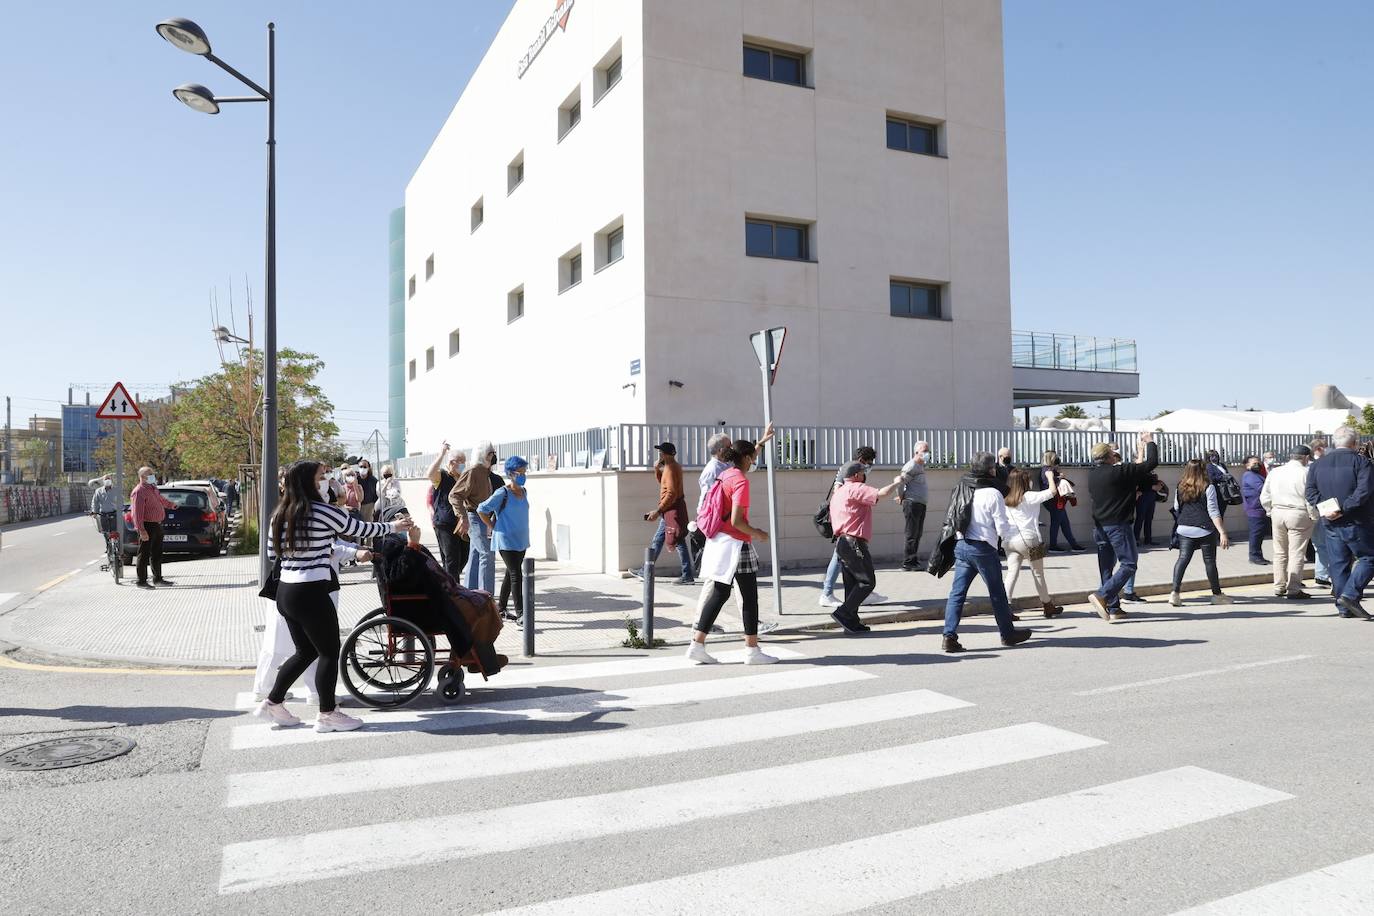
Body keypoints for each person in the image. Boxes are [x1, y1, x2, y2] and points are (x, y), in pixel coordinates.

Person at [255, 459, 411, 732]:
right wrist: (395, 527)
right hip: (311, 591)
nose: (325, 481)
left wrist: (310, 552)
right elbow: (360, 530)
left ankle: (272, 703)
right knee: (328, 652)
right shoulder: (322, 511)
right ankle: (328, 713)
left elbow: (272, 555)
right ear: (308, 482)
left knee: (305, 652)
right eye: (320, 478)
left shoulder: (279, 514)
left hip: (286, 592)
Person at [687, 439, 778, 665]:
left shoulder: (725, 475)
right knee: (749, 598)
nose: (754, 462)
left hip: (718, 540)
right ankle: (752, 650)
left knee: (719, 593)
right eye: (753, 458)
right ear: (746, 459)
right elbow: (738, 521)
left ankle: (697, 645)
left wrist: (761, 442)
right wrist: (758, 533)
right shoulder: (740, 481)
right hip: (737, 543)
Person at [940, 452, 1032, 653]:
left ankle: (949, 636)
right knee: (997, 593)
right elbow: (1001, 526)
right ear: (991, 470)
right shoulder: (993, 493)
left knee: (957, 594)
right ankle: (1008, 634)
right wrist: (1010, 537)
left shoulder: (961, 486)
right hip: (983, 548)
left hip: (962, 545)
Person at [1086, 432, 1158, 621]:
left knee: (1106, 568)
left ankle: (1113, 608)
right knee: (1129, 564)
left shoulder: (1092, 475)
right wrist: (1149, 442)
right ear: (1110, 456)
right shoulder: (1118, 471)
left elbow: (1137, 471)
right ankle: (1102, 595)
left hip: (1100, 528)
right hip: (1118, 526)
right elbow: (1150, 464)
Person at [1305, 425, 1374, 619]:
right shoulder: (1361, 462)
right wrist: (1342, 509)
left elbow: (1310, 493)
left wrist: (1329, 509)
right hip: (1356, 520)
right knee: (1369, 558)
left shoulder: (1317, 464)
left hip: (1330, 520)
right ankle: (1350, 596)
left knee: (1338, 563)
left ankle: (1344, 607)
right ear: (1355, 443)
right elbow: (1364, 492)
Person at [827, 461, 900, 633]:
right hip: (854, 542)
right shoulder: (855, 488)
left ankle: (851, 622)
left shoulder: (839, 492)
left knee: (851, 585)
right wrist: (898, 482)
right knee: (867, 581)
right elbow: (880, 493)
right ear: (855, 476)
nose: (864, 475)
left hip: (842, 543)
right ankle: (843, 613)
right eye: (862, 473)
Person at [819, 446, 888, 608]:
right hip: (846, 523)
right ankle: (828, 593)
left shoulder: (853, 472)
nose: (869, 467)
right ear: (862, 461)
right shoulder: (848, 470)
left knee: (841, 557)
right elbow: (839, 493)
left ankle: (853, 596)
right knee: (840, 557)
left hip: (846, 523)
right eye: (868, 463)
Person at [1167, 459, 1232, 607]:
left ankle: (1175, 594)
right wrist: (1222, 532)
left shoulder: (1180, 486)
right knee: (1209, 561)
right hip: (1204, 528)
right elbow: (1213, 511)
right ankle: (1217, 595)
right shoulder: (1208, 487)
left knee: (1182, 559)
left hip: (1183, 527)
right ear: (1203, 470)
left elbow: (1177, 507)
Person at [1002, 468, 1063, 619]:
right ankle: (1047, 605)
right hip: (1030, 540)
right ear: (1024, 482)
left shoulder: (1006, 498)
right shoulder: (1029, 496)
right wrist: (1049, 476)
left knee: (1011, 573)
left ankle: (1005, 607)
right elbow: (1052, 492)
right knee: (1038, 574)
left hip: (1009, 541)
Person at [1260, 445, 1318, 599]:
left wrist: (1270, 511)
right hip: (1298, 513)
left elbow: (1264, 496)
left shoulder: (1275, 472)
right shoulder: (1306, 472)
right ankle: (1293, 588)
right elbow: (1309, 498)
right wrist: (1314, 516)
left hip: (1278, 512)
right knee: (1297, 553)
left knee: (1279, 552)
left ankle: (1278, 586)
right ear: (1306, 457)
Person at [478, 456, 531, 623]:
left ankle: (500, 608)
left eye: (524, 471)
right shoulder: (503, 492)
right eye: (520, 472)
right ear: (511, 474)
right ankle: (521, 614)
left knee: (510, 574)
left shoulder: (524, 491)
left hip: (521, 540)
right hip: (505, 540)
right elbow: (481, 509)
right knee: (517, 574)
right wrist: (493, 528)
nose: (523, 475)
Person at [632, 442, 693, 585]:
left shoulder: (671, 469)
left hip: (671, 509)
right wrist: (656, 468)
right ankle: (645, 571)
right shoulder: (671, 467)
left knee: (678, 541)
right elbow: (664, 484)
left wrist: (658, 510)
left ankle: (687, 575)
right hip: (670, 509)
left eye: (661, 452)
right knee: (659, 540)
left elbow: (671, 493)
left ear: (665, 454)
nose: (659, 454)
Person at [452, 441, 498, 593]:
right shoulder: (472, 471)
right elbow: (455, 495)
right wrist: (463, 517)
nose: (493, 457)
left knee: (476, 555)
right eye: (491, 454)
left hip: (482, 518)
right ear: (484, 455)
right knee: (487, 554)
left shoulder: (484, 472)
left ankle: (469, 594)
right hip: (474, 516)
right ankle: (486, 597)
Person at [426, 442, 467, 582]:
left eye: (464, 461)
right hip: (445, 524)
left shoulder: (463, 478)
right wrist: (442, 454)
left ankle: (446, 581)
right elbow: (430, 473)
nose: (463, 464)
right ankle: (454, 592)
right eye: (460, 461)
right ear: (451, 463)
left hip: (461, 524)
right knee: (452, 559)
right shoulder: (442, 476)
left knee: (464, 556)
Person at [130, 467, 176, 590]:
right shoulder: (139, 491)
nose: (152, 476)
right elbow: (137, 513)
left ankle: (158, 579)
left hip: (157, 524)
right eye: (149, 474)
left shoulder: (152, 488)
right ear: (142, 476)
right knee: (144, 554)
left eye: (152, 474)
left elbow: (161, 500)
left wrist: (171, 505)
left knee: (157, 553)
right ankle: (141, 581)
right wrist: (141, 529)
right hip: (147, 525)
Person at [896, 441, 930, 571]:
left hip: (920, 504)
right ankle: (908, 562)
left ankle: (913, 560)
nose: (927, 453)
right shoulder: (911, 466)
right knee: (912, 533)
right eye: (924, 451)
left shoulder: (920, 466)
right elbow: (900, 482)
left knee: (917, 533)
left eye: (928, 451)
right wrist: (901, 496)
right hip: (912, 503)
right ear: (916, 452)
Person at [1041, 451, 1083, 551]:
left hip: (1056, 501)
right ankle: (1054, 546)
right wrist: (1059, 477)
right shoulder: (1046, 471)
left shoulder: (1050, 470)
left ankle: (1073, 544)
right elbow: (1048, 483)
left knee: (1064, 523)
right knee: (1057, 523)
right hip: (1053, 501)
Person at [1309, 437, 1332, 588]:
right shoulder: (1321, 466)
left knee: (1318, 544)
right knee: (1323, 545)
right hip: (1322, 509)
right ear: (1319, 449)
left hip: (1311, 510)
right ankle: (1323, 575)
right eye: (1325, 447)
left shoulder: (1310, 465)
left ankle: (1321, 574)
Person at [1240, 455, 1269, 565]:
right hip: (1255, 509)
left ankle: (1258, 555)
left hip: (1259, 509)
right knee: (1256, 534)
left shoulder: (1256, 475)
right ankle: (1254, 556)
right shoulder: (1250, 475)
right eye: (1254, 463)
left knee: (1259, 534)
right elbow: (1262, 489)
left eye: (1258, 462)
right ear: (1247, 465)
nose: (1257, 464)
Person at [1133, 473, 1167, 546]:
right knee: (1140, 518)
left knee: (1149, 518)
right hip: (1143, 496)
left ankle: (1148, 539)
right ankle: (1136, 539)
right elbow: (1138, 484)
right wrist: (1151, 487)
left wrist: (1159, 484)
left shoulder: (1151, 472)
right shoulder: (1139, 471)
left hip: (1152, 496)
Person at [89, 476, 119, 548]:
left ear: (111, 480)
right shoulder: (98, 491)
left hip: (114, 513)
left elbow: (121, 501)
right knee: (105, 531)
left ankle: (117, 545)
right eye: (106, 479)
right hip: (103, 514)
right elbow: (95, 502)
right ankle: (108, 546)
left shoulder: (116, 490)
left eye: (109, 479)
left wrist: (122, 509)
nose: (107, 481)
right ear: (103, 481)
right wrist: (94, 512)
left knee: (115, 531)